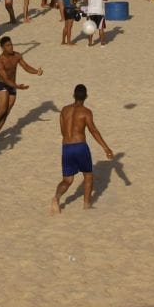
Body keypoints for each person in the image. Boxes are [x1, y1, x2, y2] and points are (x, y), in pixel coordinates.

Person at [51, 83, 115, 213]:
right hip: (80, 146)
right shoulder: (86, 112)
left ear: (73, 95)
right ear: (86, 96)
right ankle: (86, 204)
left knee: (67, 180)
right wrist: (106, 148)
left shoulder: (64, 110)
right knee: (88, 176)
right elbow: (93, 131)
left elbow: (63, 131)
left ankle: (56, 198)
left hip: (66, 147)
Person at [0, 36, 44, 143]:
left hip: (13, 86)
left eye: (11, 44)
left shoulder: (17, 56)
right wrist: (17, 86)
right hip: (3, 85)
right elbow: (4, 79)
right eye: (8, 45)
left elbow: (26, 66)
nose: (11, 47)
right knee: (1, 110)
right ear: (2, 48)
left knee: (7, 111)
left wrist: (36, 72)